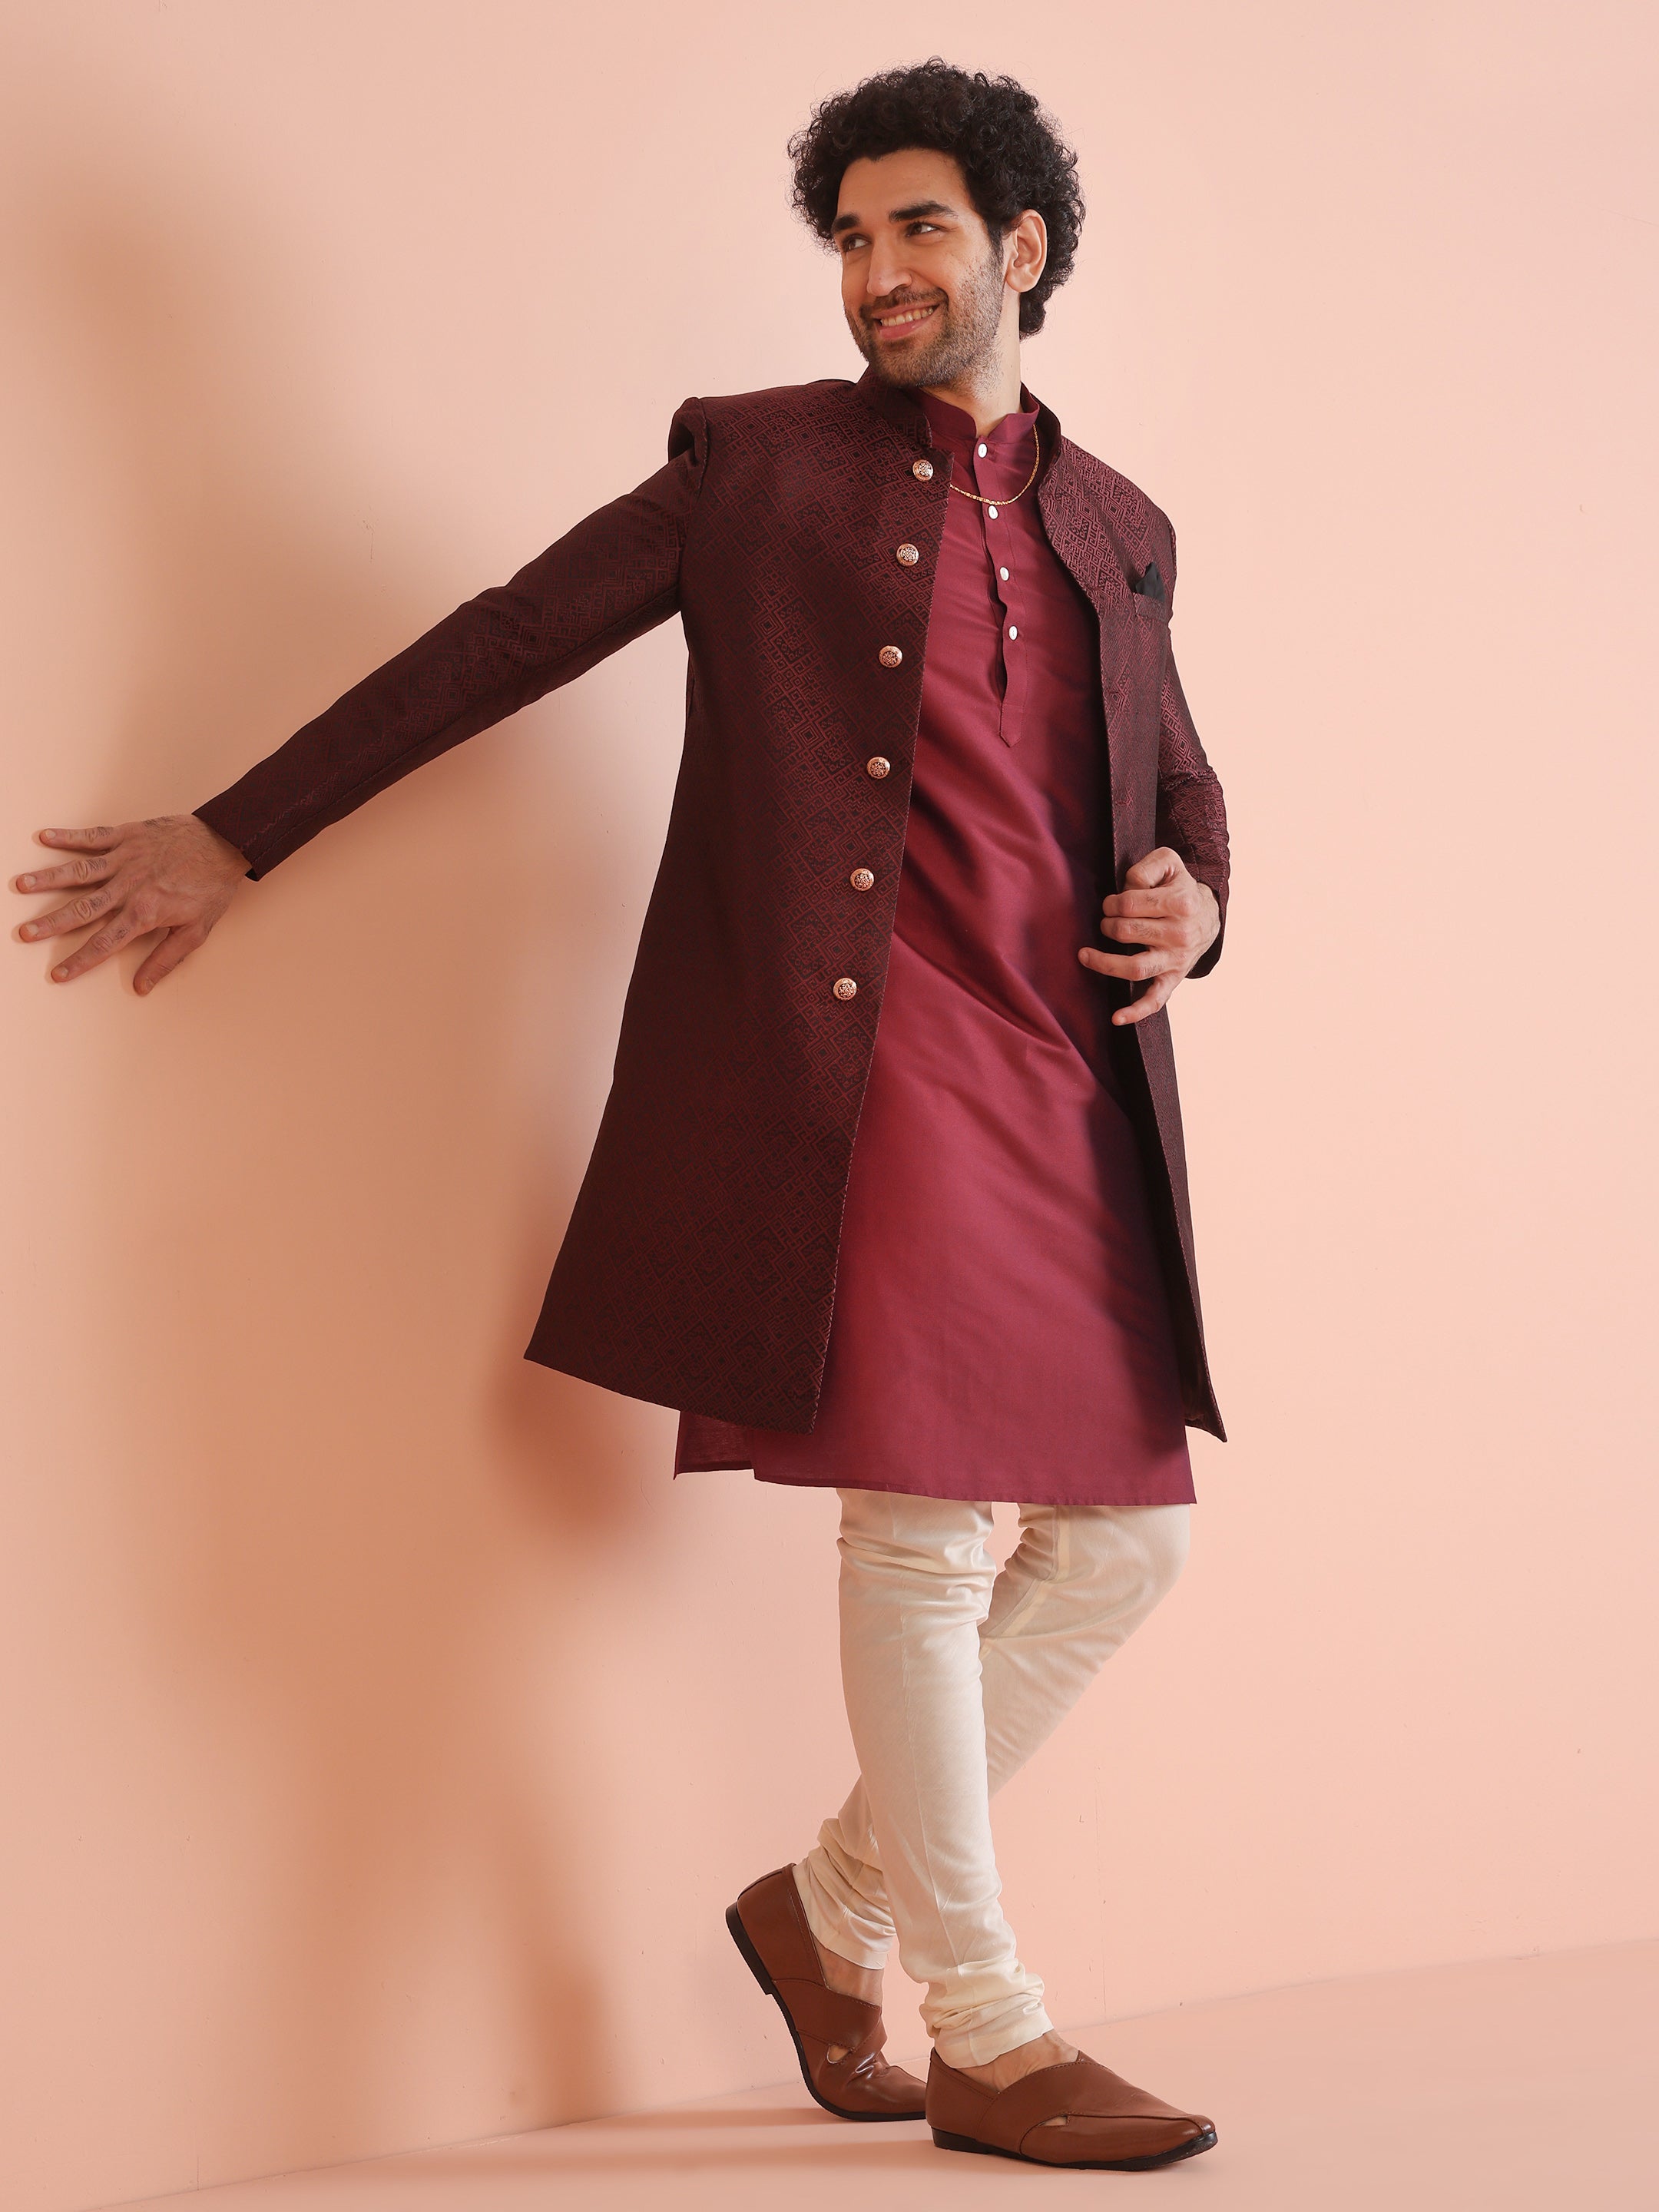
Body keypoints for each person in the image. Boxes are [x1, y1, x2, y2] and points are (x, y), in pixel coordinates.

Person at [14, 61, 1228, 2171]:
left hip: (1062, 1076)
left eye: (918, 230)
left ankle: (826, 1908)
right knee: (921, 1529)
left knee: (1125, 1542)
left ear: (1022, 248)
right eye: (849, 238)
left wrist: (1198, 899)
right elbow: (506, 640)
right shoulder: (755, 467)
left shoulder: (1120, 526)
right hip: (863, 1068)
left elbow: (1184, 786)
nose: (876, 273)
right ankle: (987, 2027)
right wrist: (236, 829)